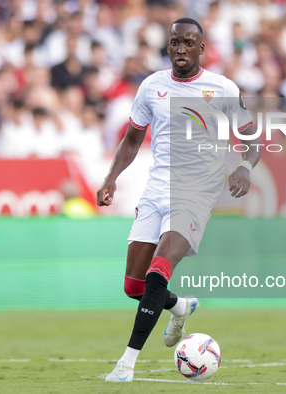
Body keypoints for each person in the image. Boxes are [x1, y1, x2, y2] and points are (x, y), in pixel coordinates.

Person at [96, 18, 261, 383]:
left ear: (202, 48)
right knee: (134, 288)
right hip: (156, 190)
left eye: (189, 43)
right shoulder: (151, 86)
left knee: (158, 271)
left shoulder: (222, 88)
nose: (181, 49)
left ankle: (126, 363)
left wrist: (245, 167)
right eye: (175, 43)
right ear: (168, 46)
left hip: (196, 193)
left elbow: (253, 142)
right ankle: (181, 306)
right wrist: (111, 178)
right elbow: (131, 140)